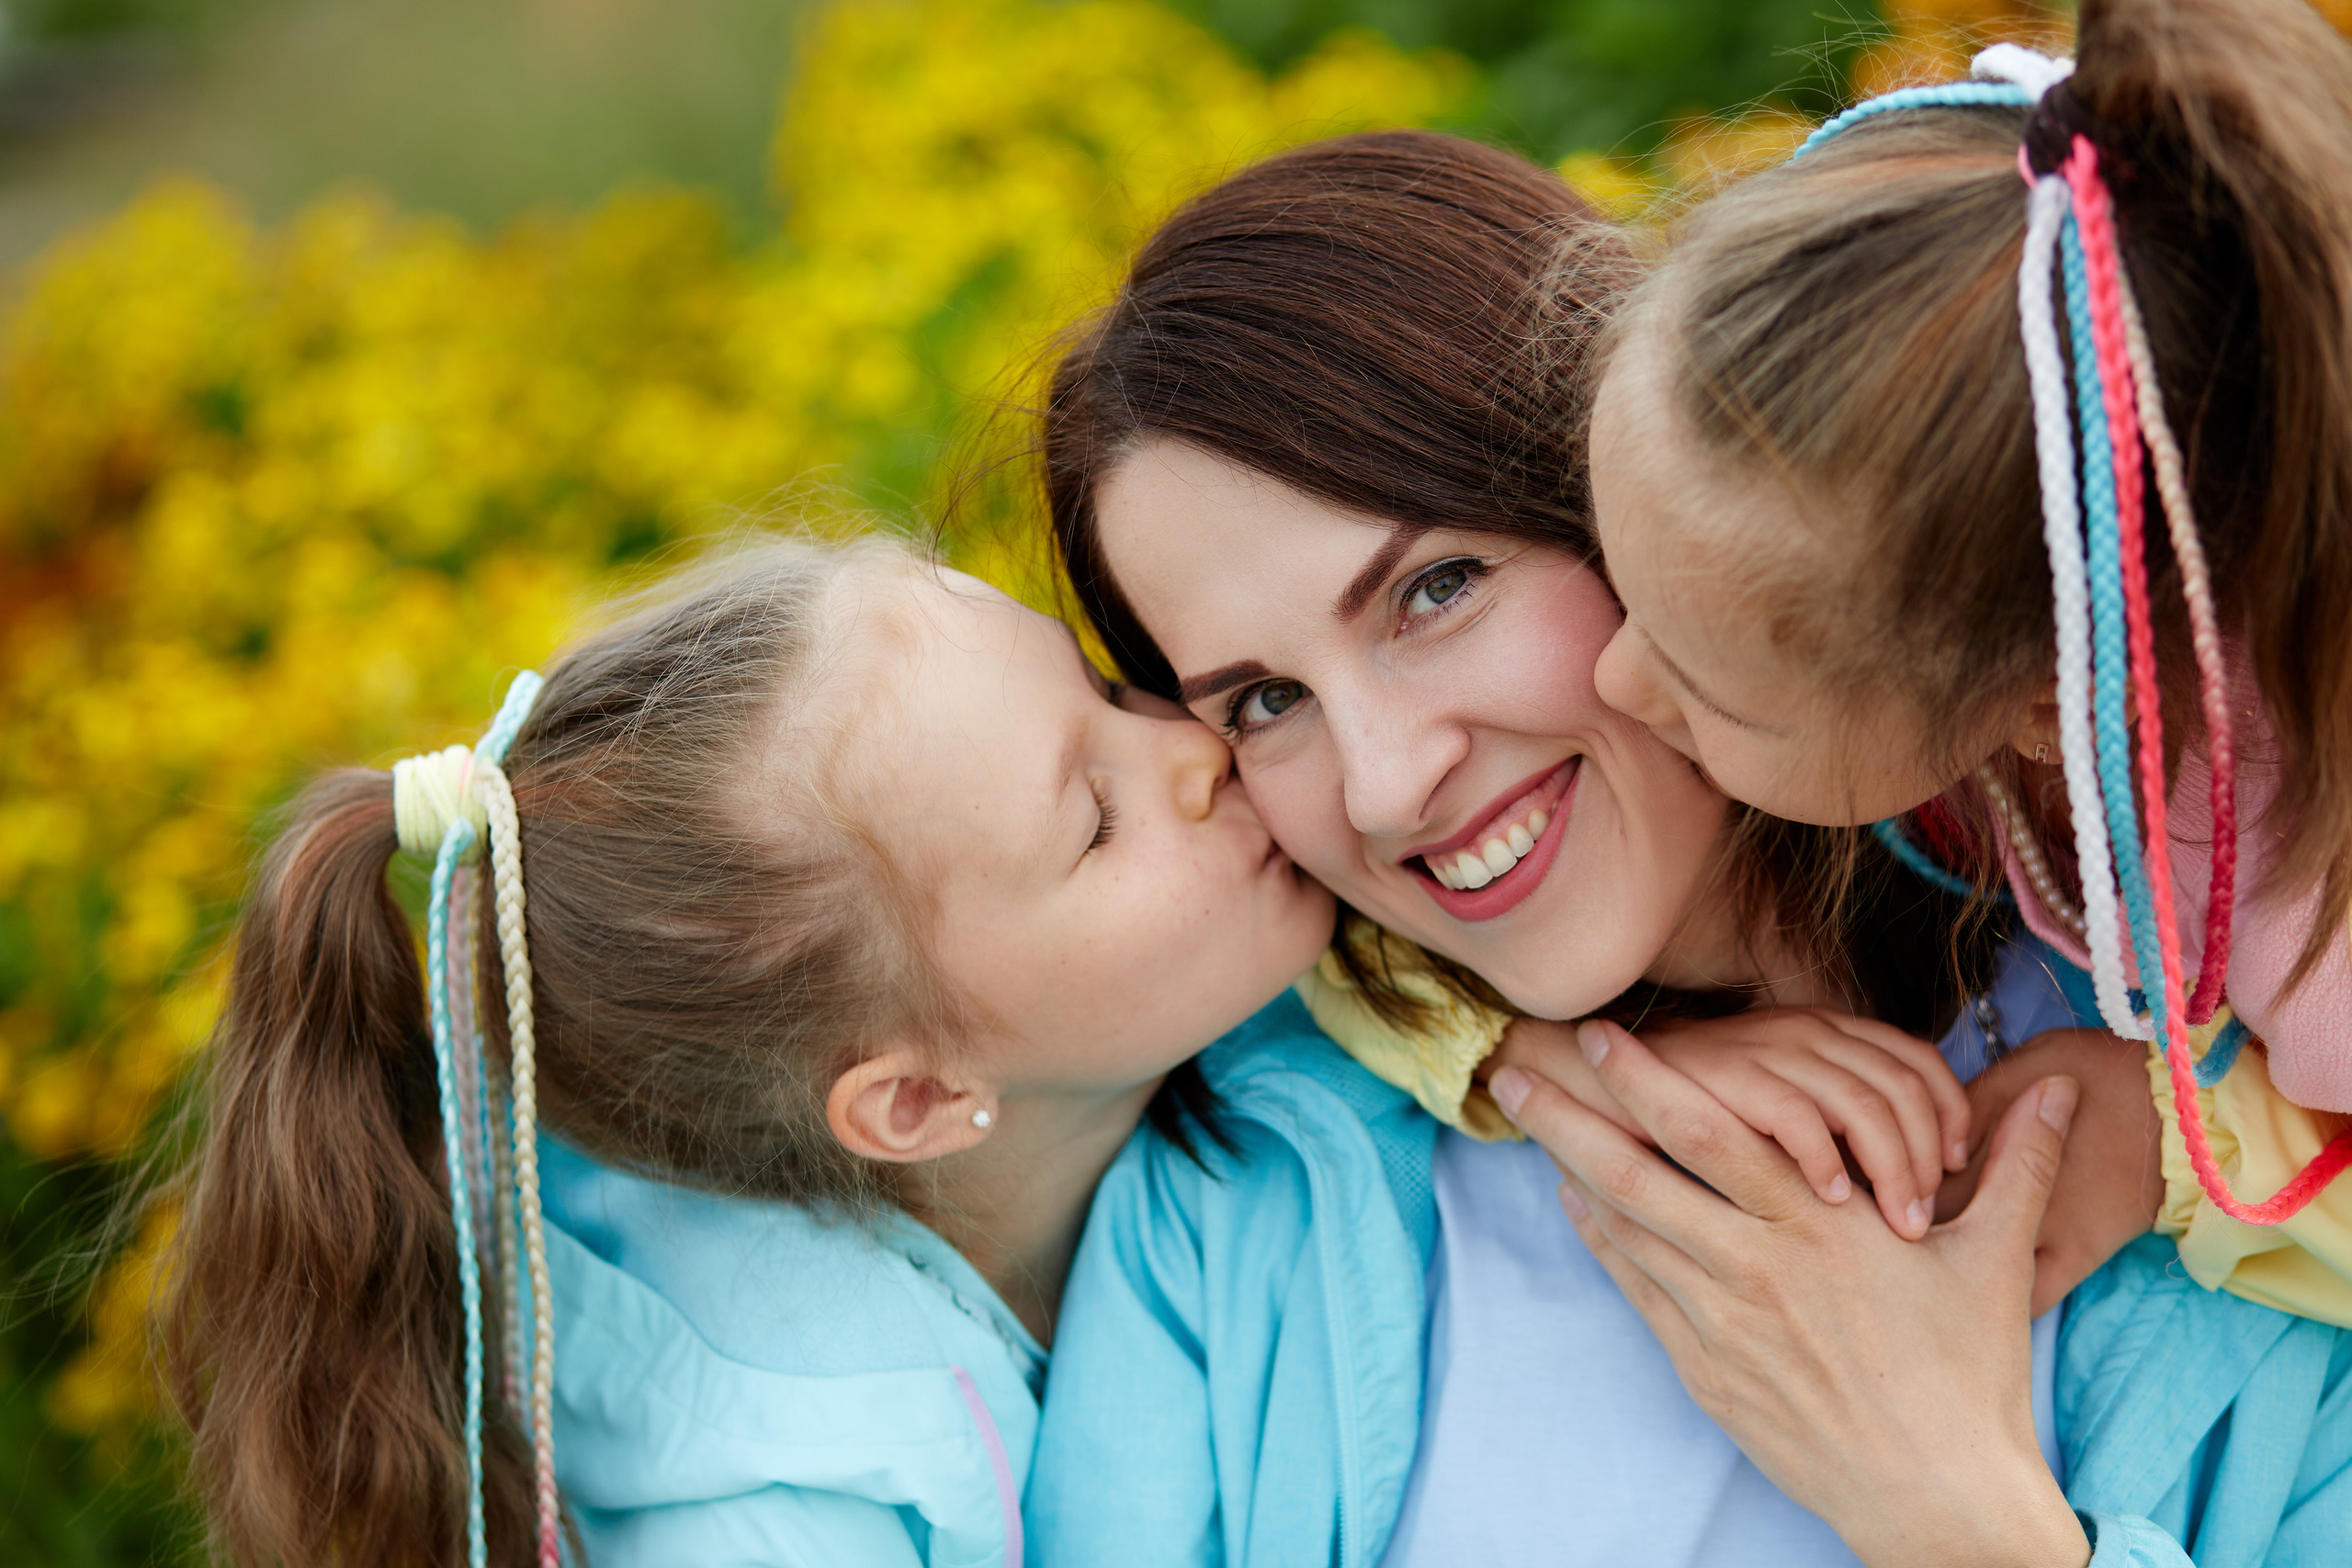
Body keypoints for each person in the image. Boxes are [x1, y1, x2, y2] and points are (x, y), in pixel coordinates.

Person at [1030, 127, 2352, 1567]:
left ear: (1644, 492)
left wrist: (1962, 1518)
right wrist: (1540, 1062)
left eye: (1436, 588)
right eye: (1267, 702)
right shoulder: (1249, 1179)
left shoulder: (2258, 1149)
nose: (1386, 787)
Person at [146, 534, 1339, 1568]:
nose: (1194, 745)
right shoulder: (770, 1531)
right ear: (916, 1099)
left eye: (1105, 690)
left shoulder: (1235, 1051)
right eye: (1096, 822)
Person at [1584, 0, 2352, 1325]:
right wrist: (1550, 1047)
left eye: (1707, 690)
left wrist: (2183, 1133)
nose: (1610, 682)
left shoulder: (2321, 932)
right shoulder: (2034, 554)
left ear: (2054, 706)